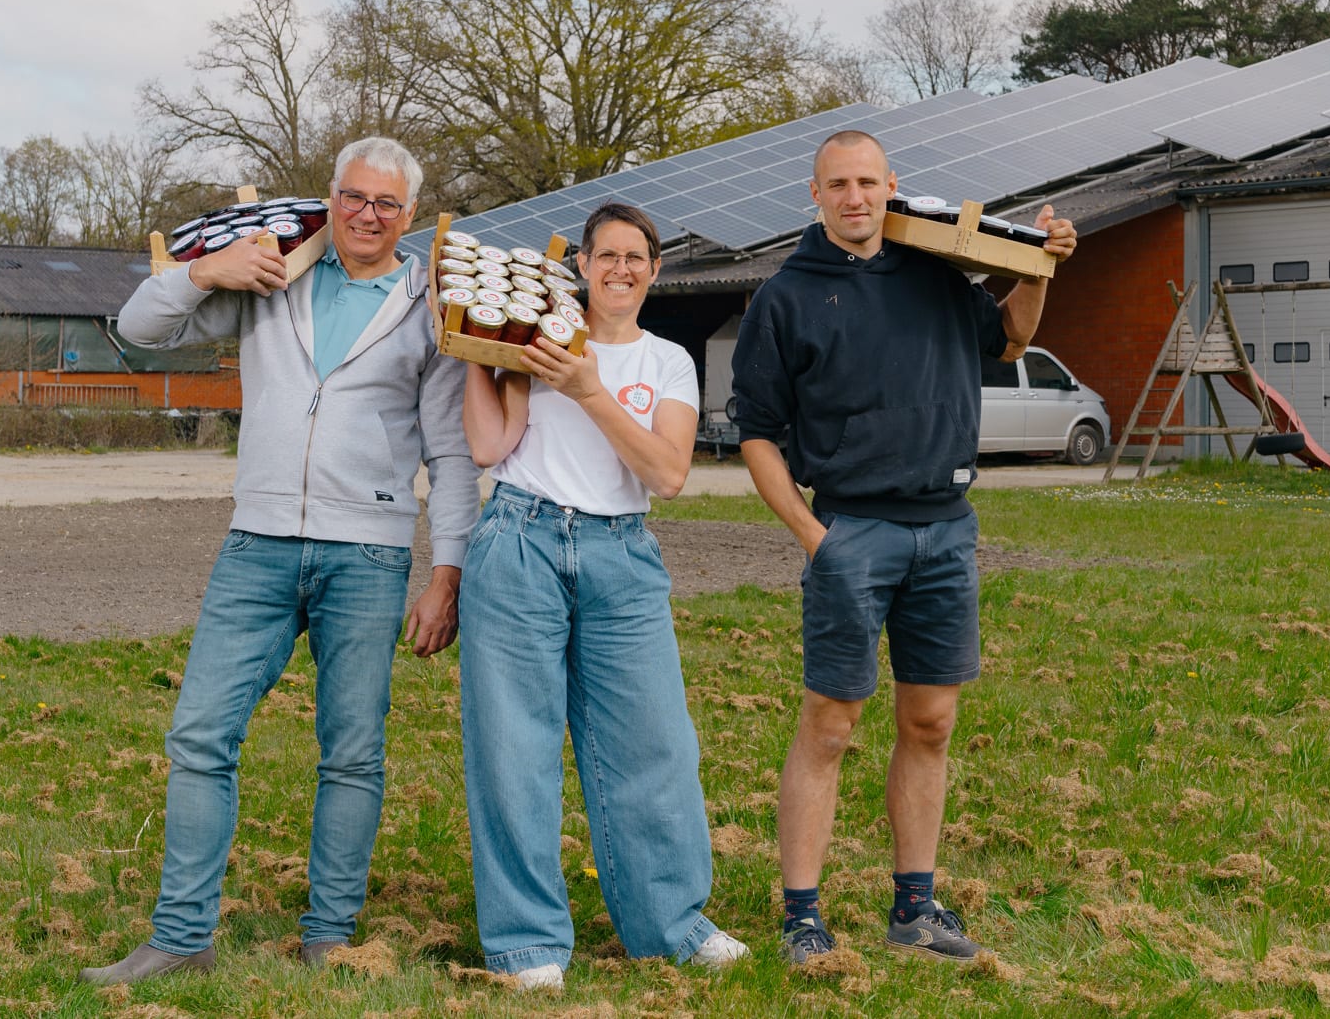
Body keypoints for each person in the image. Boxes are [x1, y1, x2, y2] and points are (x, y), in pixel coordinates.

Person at [82, 138, 478, 984]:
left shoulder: (429, 305)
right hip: (256, 543)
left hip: (367, 553)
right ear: (329, 198)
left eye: (387, 204)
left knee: (352, 750)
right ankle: (181, 937)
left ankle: (329, 934)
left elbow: (450, 453)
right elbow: (137, 328)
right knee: (199, 733)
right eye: (354, 196)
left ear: (409, 216)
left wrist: (446, 571)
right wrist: (207, 271)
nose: (368, 214)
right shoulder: (274, 275)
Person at [732, 129, 1075, 965]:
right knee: (830, 723)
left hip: (946, 528)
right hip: (852, 530)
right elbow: (757, 436)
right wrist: (817, 539)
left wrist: (1039, 267)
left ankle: (915, 907)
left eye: (868, 182)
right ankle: (802, 917)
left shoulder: (936, 272)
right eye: (838, 184)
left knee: (931, 720)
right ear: (814, 194)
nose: (855, 197)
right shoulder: (785, 297)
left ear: (893, 186)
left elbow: (1011, 339)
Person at [458, 201, 747, 991]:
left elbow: (668, 472)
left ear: (655, 271)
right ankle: (527, 944)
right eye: (606, 255)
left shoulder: (669, 362)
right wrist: (477, 351)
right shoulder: (541, 338)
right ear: (582, 264)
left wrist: (587, 387)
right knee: (514, 748)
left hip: (623, 553)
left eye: (636, 257)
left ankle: (672, 924)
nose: (620, 268)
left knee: (656, 745)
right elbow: (490, 445)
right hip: (520, 539)